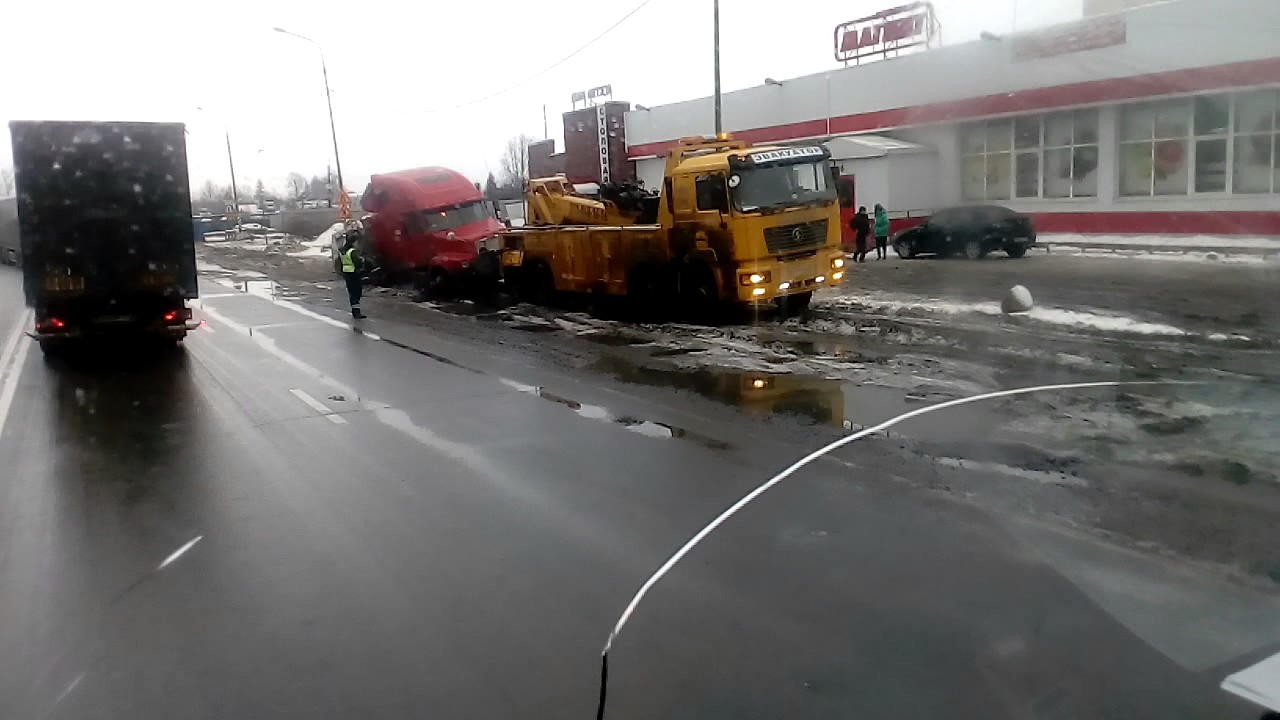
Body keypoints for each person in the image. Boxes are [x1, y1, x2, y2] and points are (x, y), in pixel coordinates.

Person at [339, 235, 366, 319]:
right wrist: (362, 260)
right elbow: (357, 262)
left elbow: (341, 262)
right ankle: (356, 313)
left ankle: (355, 311)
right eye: (356, 242)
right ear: (353, 242)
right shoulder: (352, 251)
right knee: (356, 293)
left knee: (352, 293)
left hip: (347, 273)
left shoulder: (343, 251)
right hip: (354, 273)